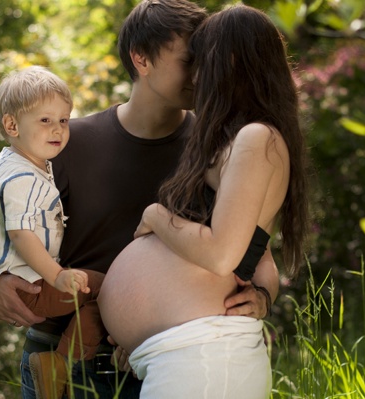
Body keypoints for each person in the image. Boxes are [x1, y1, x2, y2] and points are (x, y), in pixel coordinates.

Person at [0, 1, 274, 398]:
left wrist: (263, 296)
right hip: (65, 365)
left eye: (207, 60)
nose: (201, 73)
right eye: (189, 59)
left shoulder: (220, 150)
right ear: (141, 58)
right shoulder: (63, 141)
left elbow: (259, 251)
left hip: (167, 360)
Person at [98, 4, 310, 399]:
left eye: (200, 60)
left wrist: (156, 216)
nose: (194, 75)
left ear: (228, 60)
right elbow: (255, 251)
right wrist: (263, 295)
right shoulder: (234, 140)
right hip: (190, 355)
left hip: (206, 357)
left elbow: (221, 256)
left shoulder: (256, 138)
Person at [0, 66, 106, 398]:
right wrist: (57, 276)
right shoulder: (23, 179)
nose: (58, 129)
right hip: (31, 285)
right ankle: (61, 365)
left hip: (18, 278)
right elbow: (20, 234)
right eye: (45, 120)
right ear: (12, 125)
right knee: (107, 291)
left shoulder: (8, 164)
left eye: (64, 120)